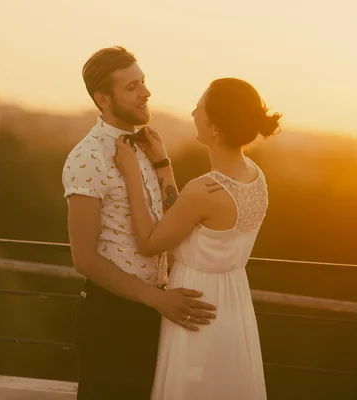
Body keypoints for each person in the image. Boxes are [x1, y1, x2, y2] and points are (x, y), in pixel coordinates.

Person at [62, 46, 217, 400]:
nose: (146, 92)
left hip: (156, 311)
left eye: (143, 82)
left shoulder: (147, 146)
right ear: (103, 99)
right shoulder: (87, 158)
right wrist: (156, 300)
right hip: (112, 317)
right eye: (131, 87)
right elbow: (84, 259)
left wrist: (163, 166)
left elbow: (174, 221)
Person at [114, 77, 281, 399]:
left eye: (199, 109)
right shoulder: (254, 176)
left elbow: (149, 243)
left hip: (194, 305)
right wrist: (162, 164)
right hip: (232, 302)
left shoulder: (203, 190)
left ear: (216, 128)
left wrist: (133, 175)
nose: (192, 112)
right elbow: (183, 216)